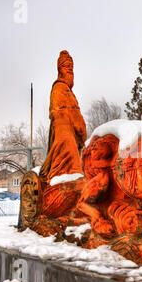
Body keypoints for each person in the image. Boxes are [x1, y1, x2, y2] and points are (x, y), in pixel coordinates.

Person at [39, 50, 87, 185]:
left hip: (72, 136)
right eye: (67, 67)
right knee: (68, 167)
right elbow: (67, 114)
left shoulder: (68, 91)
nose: (70, 70)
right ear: (59, 69)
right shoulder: (59, 88)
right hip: (65, 136)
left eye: (72, 67)